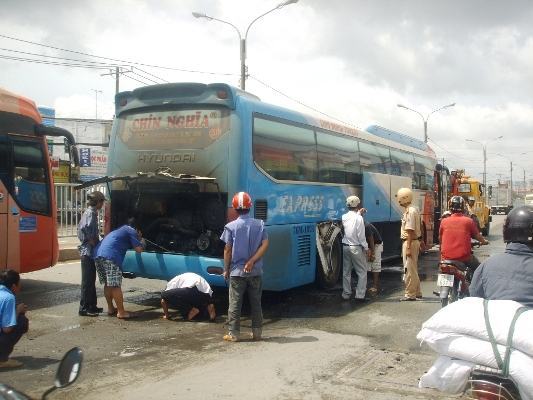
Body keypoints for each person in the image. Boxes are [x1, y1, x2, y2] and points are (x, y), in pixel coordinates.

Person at [220, 192, 269, 342]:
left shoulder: (230, 227)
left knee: (235, 303)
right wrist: (252, 261)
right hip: (255, 272)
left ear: (235, 209)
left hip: (237, 272)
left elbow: (227, 249)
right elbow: (265, 244)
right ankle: (257, 333)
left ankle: (233, 334)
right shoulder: (259, 224)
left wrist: (226, 269)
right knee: (256, 302)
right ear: (250, 207)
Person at [470, 206, 533, 307]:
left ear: (506, 232)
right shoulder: (468, 221)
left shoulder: (487, 266)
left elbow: (475, 302)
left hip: (495, 322)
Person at [94, 218, 144, 319]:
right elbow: (139, 250)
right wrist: (141, 241)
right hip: (111, 256)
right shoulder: (132, 231)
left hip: (98, 254)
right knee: (116, 285)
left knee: (108, 283)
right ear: (138, 229)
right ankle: (121, 312)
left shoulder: (121, 230)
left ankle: (111, 308)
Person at [439, 196, 488, 271]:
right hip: (463, 258)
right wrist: (484, 241)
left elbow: (440, 239)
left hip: (445, 259)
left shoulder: (444, 221)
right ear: (463, 207)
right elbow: (477, 236)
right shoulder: (468, 221)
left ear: (450, 207)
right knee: (479, 270)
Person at [77, 191, 105, 317]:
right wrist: (91, 240)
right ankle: (84, 308)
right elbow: (84, 228)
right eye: (102, 202)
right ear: (98, 202)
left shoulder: (93, 212)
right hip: (87, 252)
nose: (102, 204)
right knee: (87, 281)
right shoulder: (90, 213)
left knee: (91, 280)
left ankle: (92, 306)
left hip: (91, 252)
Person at [341, 195, 370, 302]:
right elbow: (361, 236)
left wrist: (358, 213)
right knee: (362, 272)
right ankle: (360, 295)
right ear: (358, 205)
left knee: (346, 272)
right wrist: (366, 248)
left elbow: (351, 220)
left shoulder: (344, 217)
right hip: (356, 248)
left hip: (345, 247)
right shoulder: (359, 218)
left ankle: (346, 294)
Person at [397, 187, 423, 301]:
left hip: (410, 242)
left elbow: (410, 230)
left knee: (409, 269)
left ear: (404, 198)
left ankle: (410, 294)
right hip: (413, 241)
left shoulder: (410, 211)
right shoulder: (414, 209)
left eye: (399, 198)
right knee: (413, 268)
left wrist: (407, 247)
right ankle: (417, 292)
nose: (398, 200)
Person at [0, 270, 28, 369]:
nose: (20, 287)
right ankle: (2, 360)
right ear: (13, 286)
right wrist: (18, 311)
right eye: (19, 284)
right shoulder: (9, 297)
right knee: (22, 320)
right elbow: (7, 329)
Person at [365, 221, 383, 296]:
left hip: (376, 245)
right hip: (369, 245)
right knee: (366, 265)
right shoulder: (360, 224)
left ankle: (375, 286)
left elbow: (371, 239)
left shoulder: (366, 226)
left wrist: (372, 253)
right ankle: (364, 285)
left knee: (375, 265)